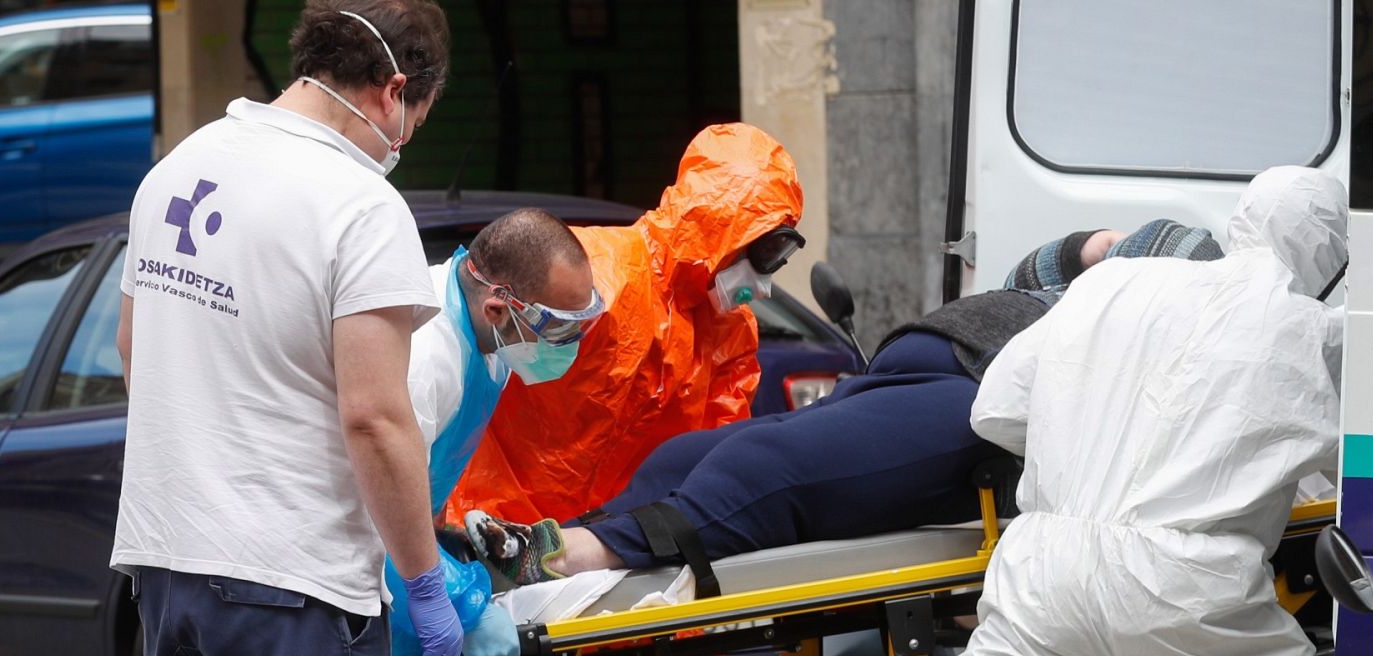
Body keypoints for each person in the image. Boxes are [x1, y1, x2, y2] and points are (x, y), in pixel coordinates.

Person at [810, 166, 1362, 656]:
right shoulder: (1313, 331)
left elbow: (997, 411)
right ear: (1328, 259)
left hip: (1045, 580)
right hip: (1184, 593)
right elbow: (1363, 467)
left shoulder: (1114, 284)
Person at [43, 209, 601, 656]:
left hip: (364, 612)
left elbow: (408, 484)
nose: (568, 346)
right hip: (332, 605)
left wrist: (454, 544)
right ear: (500, 301)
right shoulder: (426, 354)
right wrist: (456, 594)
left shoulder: (481, 341)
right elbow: (365, 490)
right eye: (559, 330)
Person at [107, 1, 453, 656]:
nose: (404, 137)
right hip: (291, 593)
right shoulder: (359, 205)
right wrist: (423, 581)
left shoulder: (178, 169)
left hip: (169, 575)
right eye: (414, 118)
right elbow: (375, 417)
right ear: (396, 91)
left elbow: (133, 353)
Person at [434, 123, 803, 656]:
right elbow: (459, 389)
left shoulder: (727, 334)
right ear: (715, 231)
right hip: (507, 575)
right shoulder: (590, 279)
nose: (764, 284)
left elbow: (717, 466)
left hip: (629, 581)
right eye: (760, 255)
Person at [462, 220, 1224, 581]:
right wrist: (1105, 244)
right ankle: (554, 543)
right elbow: (1045, 263)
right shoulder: (1067, 291)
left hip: (979, 403)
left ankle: (567, 557)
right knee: (691, 453)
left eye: (1131, 260)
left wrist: (1134, 259)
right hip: (923, 362)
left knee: (771, 463)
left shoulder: (1179, 314)